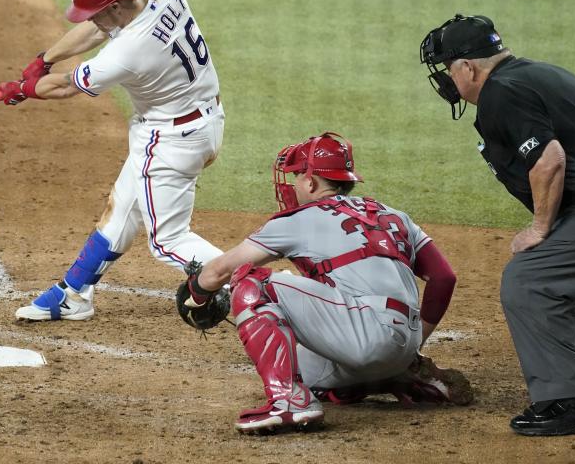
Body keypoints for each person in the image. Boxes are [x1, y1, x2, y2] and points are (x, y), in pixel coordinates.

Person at [178, 132, 464, 434]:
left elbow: (220, 271)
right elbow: (444, 279)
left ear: (311, 181)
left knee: (254, 283)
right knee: (298, 366)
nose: (292, 183)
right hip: (399, 348)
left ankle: (290, 402)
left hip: (364, 336)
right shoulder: (394, 216)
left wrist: (196, 291)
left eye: (297, 175)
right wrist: (412, 344)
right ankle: (392, 377)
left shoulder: (299, 219)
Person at [0, 0, 225, 321]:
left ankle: (260, 285)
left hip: (170, 140)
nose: (89, 18)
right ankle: (74, 295)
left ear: (116, 6)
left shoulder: (129, 52)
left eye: (96, 10)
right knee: (122, 210)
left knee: (168, 241)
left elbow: (66, 87)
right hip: (200, 119)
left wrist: (25, 88)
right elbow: (99, 29)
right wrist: (46, 58)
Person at [420, 13, 575, 436]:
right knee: (554, 269)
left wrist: (541, 226)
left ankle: (570, 404)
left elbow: (550, 160)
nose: (447, 81)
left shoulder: (501, 93)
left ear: (468, 67)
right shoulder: (536, 74)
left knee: (528, 282)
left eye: (448, 69)